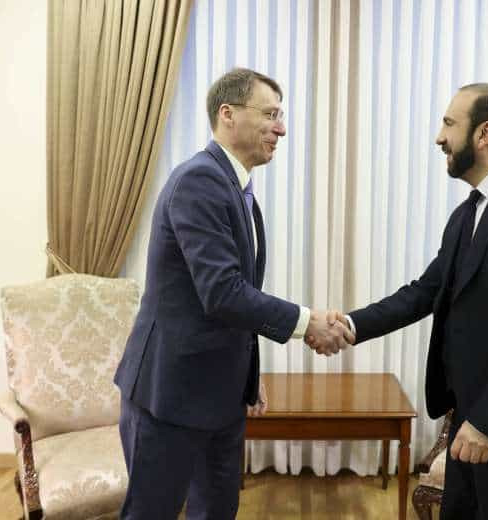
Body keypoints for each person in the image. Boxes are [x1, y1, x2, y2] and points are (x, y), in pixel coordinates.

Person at [321, 84, 488, 519]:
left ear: (484, 133)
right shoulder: (466, 214)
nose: (439, 137)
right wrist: (350, 325)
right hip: (468, 418)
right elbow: (424, 292)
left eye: (448, 124)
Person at [114, 68, 353, 519]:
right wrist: (310, 323)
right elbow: (222, 292)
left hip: (220, 395)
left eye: (280, 116)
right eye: (270, 115)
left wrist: (247, 373)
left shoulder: (237, 189)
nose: (281, 128)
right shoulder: (199, 181)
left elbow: (234, 301)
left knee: (218, 510)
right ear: (227, 114)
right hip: (171, 395)